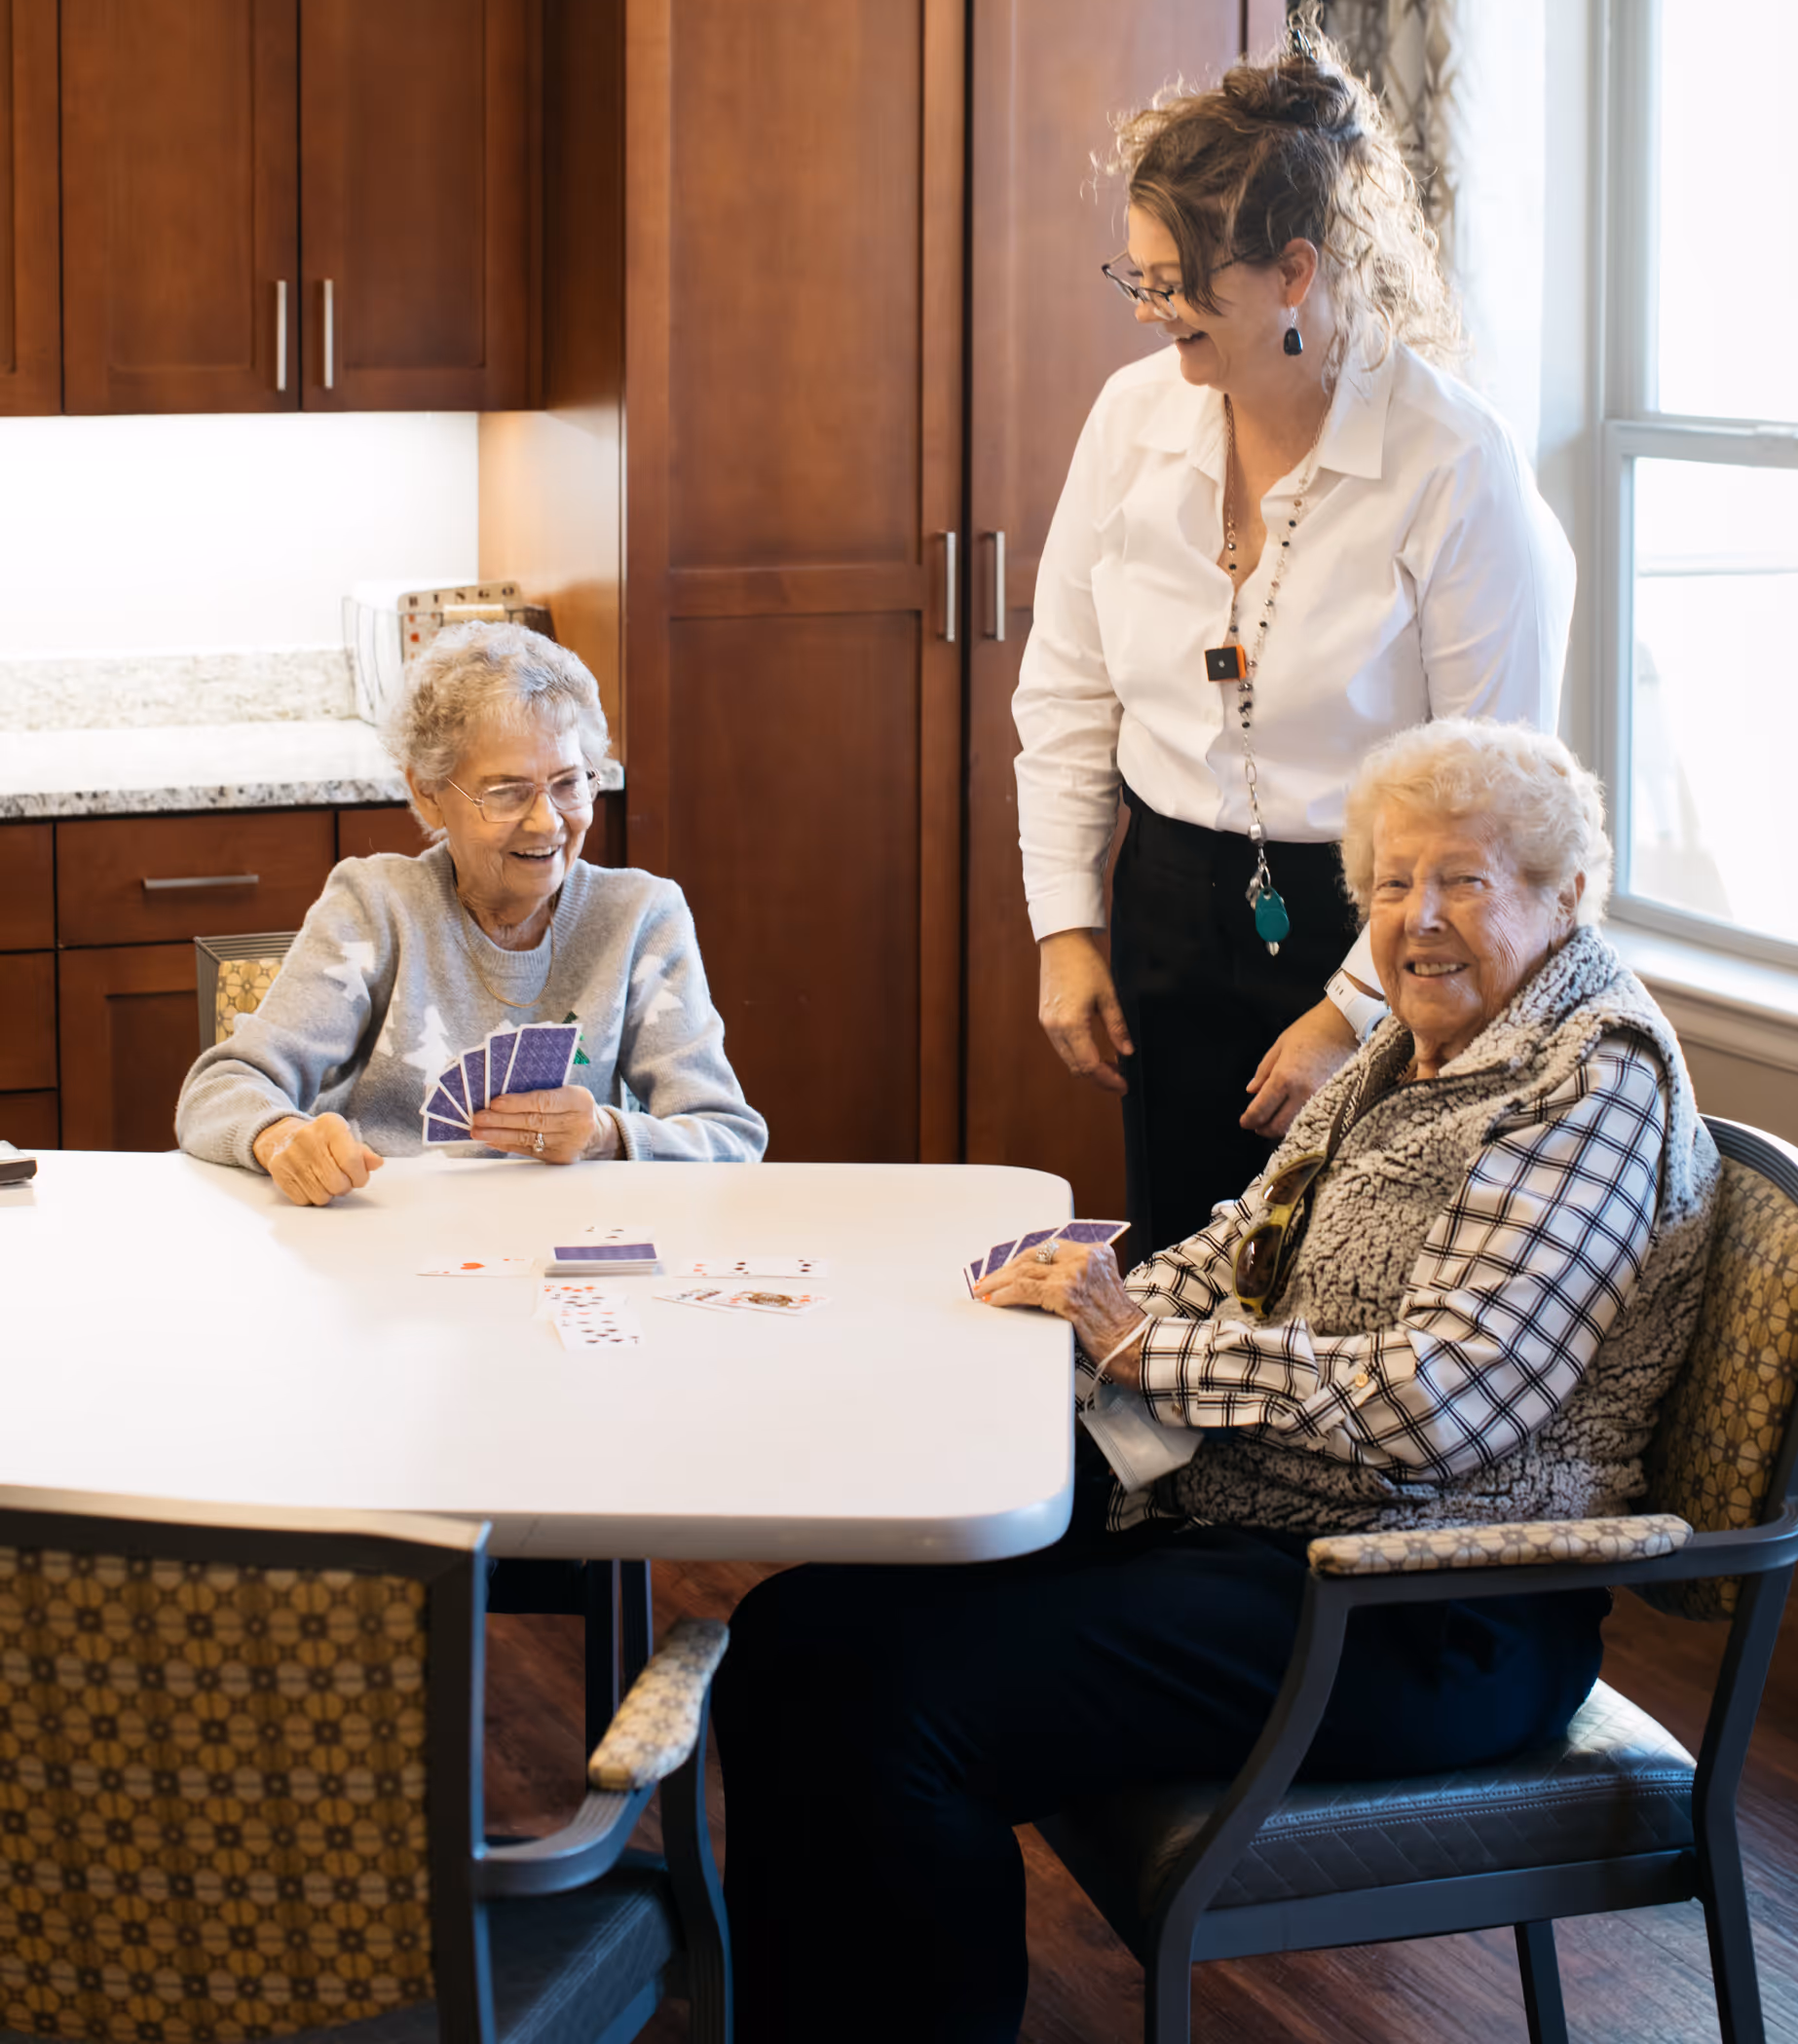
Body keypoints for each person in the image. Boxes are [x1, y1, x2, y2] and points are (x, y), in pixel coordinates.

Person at [713, 719, 1718, 2044]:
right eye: (1393, 884)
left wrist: (1136, 1345)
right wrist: (1080, 1309)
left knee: (901, 1715)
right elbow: (1250, 1239)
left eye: (1465, 881)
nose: (1419, 919)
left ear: (1563, 894)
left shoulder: (1590, 1076)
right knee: (792, 1640)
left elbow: (1441, 1401)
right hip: (1261, 1531)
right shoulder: (1417, 1037)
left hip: (1432, 1605)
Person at [1015, 16, 1575, 1254]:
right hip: (1167, 897)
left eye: (1180, 283)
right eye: (1140, 277)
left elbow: (1491, 791)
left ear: (1295, 273)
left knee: (1344, 1286)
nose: (1153, 312)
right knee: (1176, 1276)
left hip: (1386, 920)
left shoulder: (1452, 460)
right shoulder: (1130, 419)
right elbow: (1065, 692)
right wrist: (1068, 925)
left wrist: (1350, 1014)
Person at [176, 621, 765, 1202]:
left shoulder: (641, 917)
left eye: (568, 783)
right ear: (427, 793)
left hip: (564, 1256)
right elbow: (219, 1089)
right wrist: (283, 1137)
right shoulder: (375, 906)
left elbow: (731, 1137)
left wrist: (608, 1136)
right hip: (388, 1250)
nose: (547, 822)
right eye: (507, 791)